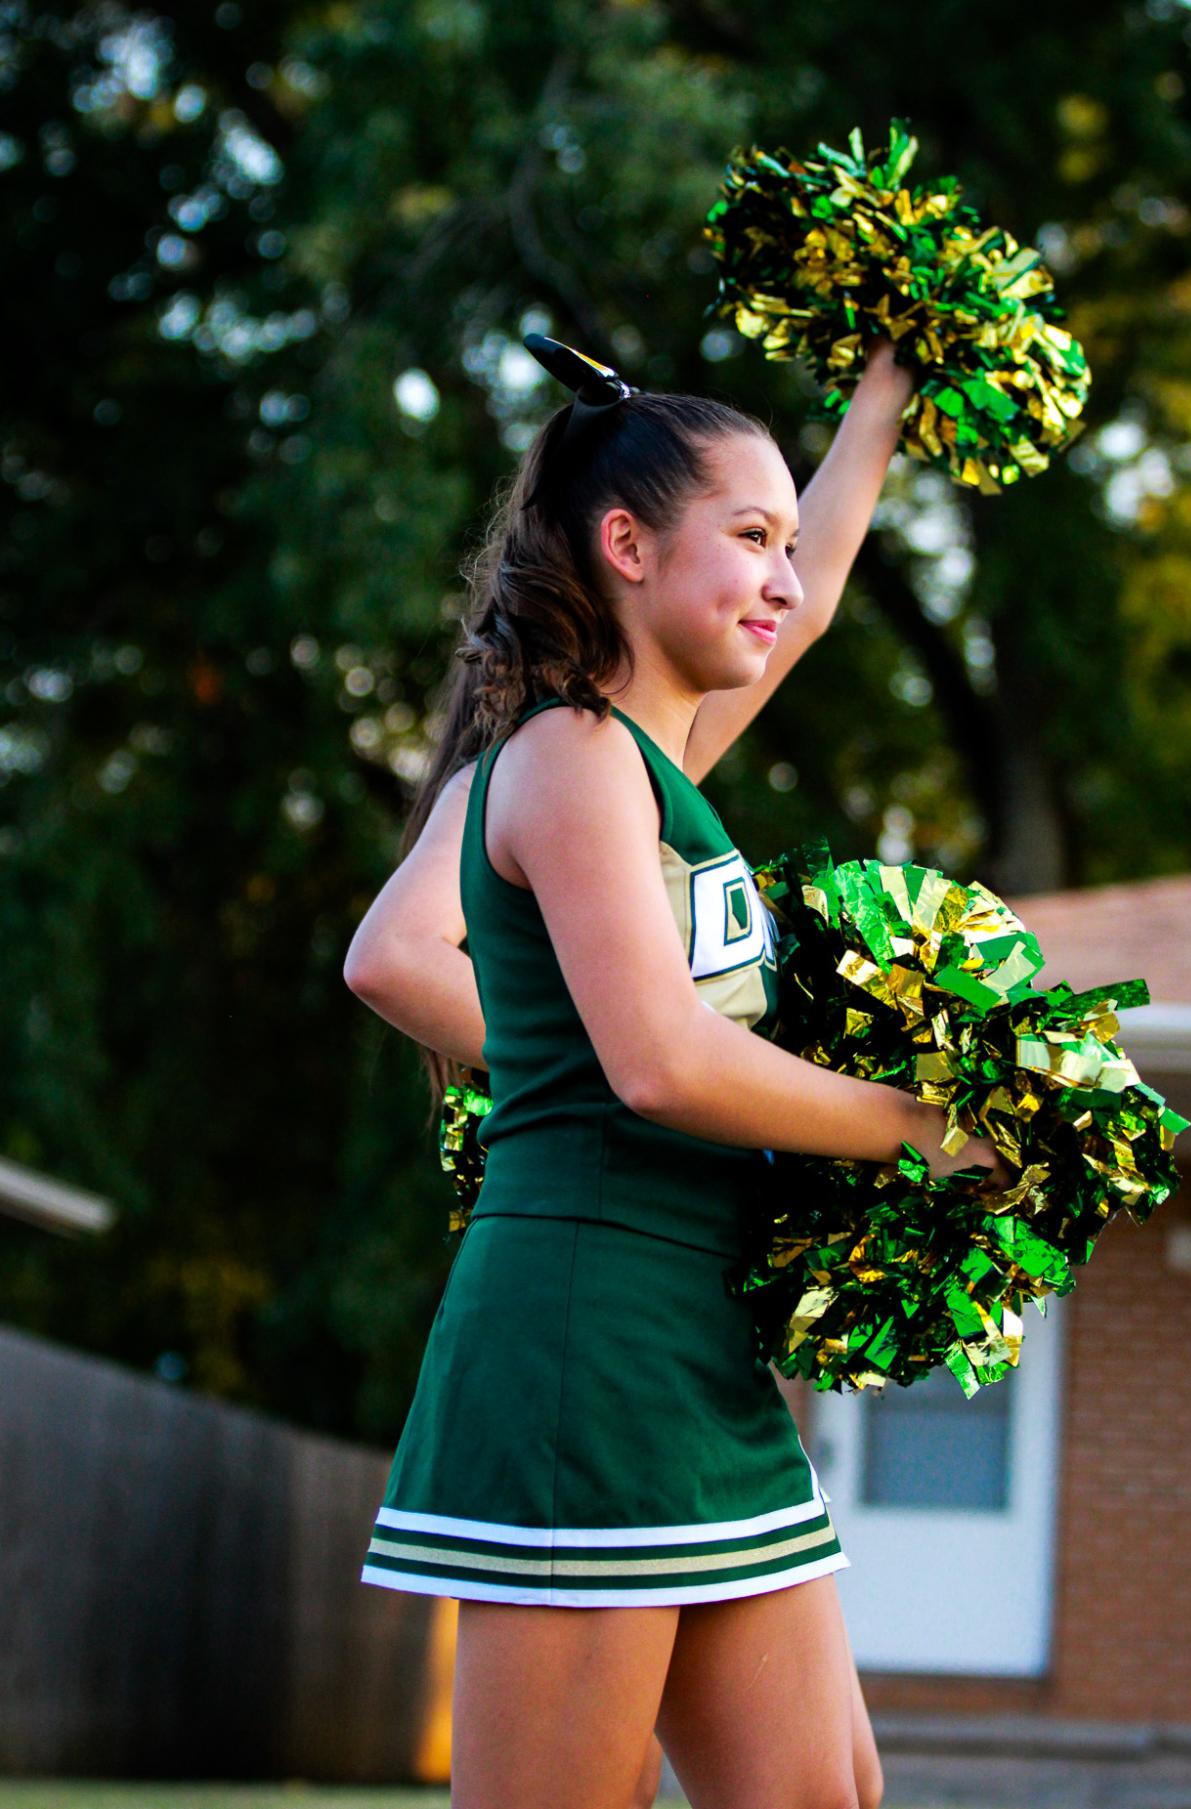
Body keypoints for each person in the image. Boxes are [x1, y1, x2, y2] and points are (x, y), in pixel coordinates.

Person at [343, 331, 1005, 1809]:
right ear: (625, 544)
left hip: (695, 1348)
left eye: (786, 536)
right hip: (587, 1344)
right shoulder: (570, 754)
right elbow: (653, 1062)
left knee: (823, 1796)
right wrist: (924, 1127)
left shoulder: (659, 762)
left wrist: (885, 387)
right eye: (746, 537)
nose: (782, 571)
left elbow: (816, 593)